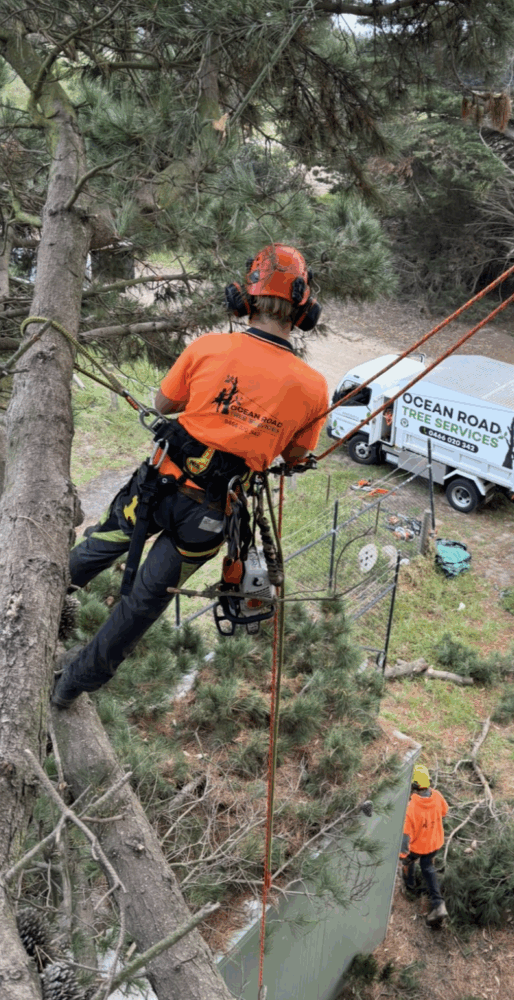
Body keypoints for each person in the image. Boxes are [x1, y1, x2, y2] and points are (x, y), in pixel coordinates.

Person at [52, 243, 329, 709]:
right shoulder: (314, 388)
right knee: (143, 604)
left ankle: (28, 607)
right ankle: (73, 684)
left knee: (97, 550)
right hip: (209, 516)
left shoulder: (209, 347)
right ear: (303, 308)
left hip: (156, 487)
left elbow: (163, 406)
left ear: (245, 299)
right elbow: (298, 455)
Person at [399, 762, 449, 924]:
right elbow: (444, 811)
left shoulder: (411, 808)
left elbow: (406, 837)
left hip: (418, 847)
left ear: (413, 785)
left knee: (408, 862)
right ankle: (438, 904)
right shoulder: (437, 795)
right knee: (428, 868)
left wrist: (402, 856)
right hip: (435, 843)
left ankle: (410, 888)